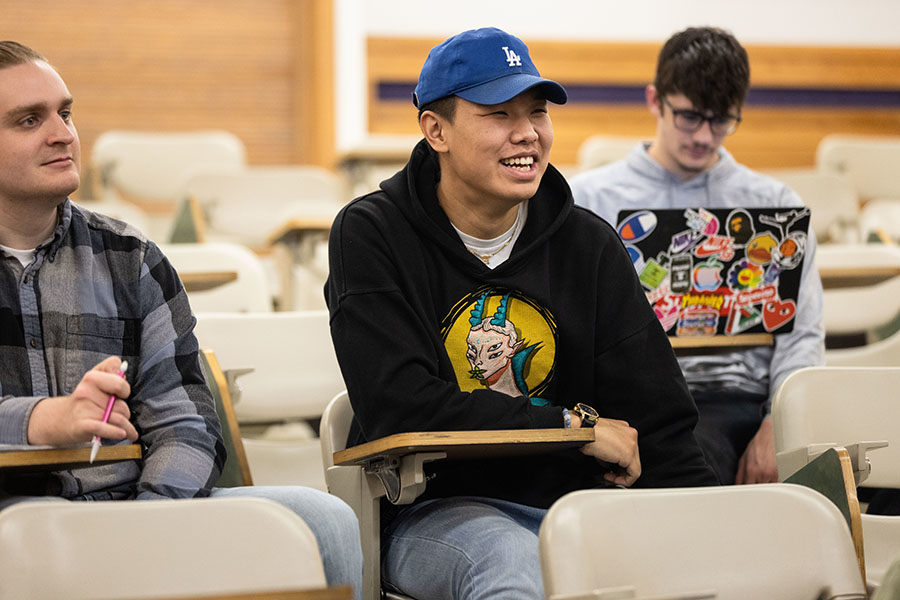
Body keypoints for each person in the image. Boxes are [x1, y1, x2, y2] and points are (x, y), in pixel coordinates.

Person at [326, 27, 717, 600]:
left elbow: (659, 423)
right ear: (436, 130)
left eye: (537, 112)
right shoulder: (371, 234)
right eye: (499, 114)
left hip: (580, 508)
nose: (528, 133)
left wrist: (712, 525)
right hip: (436, 514)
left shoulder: (589, 244)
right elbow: (400, 406)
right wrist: (568, 430)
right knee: (515, 564)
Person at [0, 41, 362, 598]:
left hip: (131, 506)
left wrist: (157, 520)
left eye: (64, 113)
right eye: (29, 120)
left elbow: (186, 420)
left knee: (324, 523)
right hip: (14, 524)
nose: (63, 134)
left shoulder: (131, 257)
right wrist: (42, 422)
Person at [569, 26, 826, 486]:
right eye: (689, 117)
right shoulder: (589, 199)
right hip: (635, 402)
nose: (705, 137)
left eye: (722, 120)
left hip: (743, 399)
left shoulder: (773, 205)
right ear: (655, 100)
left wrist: (779, 423)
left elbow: (802, 334)